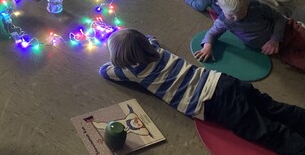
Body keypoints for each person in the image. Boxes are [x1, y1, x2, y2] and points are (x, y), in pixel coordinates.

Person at [99, 28, 305, 154]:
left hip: (212, 101)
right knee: (272, 107)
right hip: (222, 80)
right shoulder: (158, 51)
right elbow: (151, 38)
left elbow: (105, 71)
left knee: (263, 129)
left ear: (123, 61)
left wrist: (117, 57)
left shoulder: (134, 73)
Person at [197, 0, 305, 71]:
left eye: (241, 12)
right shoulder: (224, 21)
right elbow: (212, 33)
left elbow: (280, 18)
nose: (236, 18)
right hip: (280, 50)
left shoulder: (257, 7)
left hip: (289, 30)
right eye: (231, 15)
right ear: (219, 5)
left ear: (248, 4)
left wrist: (274, 40)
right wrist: (207, 46)